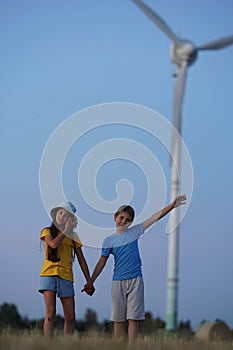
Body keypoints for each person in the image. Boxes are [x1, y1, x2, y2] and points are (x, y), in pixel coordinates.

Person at [83, 195, 186, 343]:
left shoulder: (135, 232)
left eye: (128, 220)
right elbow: (101, 262)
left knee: (134, 318)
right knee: (118, 319)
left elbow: (154, 217)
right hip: (118, 282)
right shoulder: (109, 240)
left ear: (131, 222)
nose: (123, 221)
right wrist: (90, 281)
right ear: (115, 217)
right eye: (121, 218)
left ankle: (133, 346)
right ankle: (118, 345)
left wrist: (171, 206)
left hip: (136, 280)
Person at [39, 201, 95, 337]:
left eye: (65, 215)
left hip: (66, 276)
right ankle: (48, 345)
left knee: (70, 316)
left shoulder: (74, 237)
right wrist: (65, 231)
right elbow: (53, 244)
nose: (61, 216)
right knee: (50, 313)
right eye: (60, 212)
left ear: (70, 219)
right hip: (49, 274)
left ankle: (67, 344)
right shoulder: (47, 231)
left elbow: (81, 259)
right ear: (55, 214)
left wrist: (89, 281)